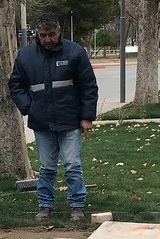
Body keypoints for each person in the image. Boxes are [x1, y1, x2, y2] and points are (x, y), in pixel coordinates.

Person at [9, 13, 99, 223]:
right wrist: (28, 107)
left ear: (59, 32)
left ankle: (77, 205)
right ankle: (45, 205)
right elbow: (15, 85)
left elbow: (88, 86)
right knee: (47, 167)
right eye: (43, 35)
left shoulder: (75, 53)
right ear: (37, 35)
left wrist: (87, 117)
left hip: (70, 120)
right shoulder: (25, 56)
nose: (47, 39)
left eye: (51, 34)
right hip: (42, 122)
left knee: (72, 165)